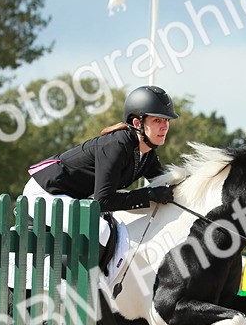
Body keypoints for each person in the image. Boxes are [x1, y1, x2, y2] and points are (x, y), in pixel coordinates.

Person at [23, 85, 178, 223]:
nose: (165, 127)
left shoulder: (148, 155)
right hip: (46, 193)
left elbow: (165, 185)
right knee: (101, 230)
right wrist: (149, 194)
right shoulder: (117, 146)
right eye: (157, 121)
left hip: (73, 198)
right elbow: (103, 201)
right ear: (137, 123)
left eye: (167, 121)